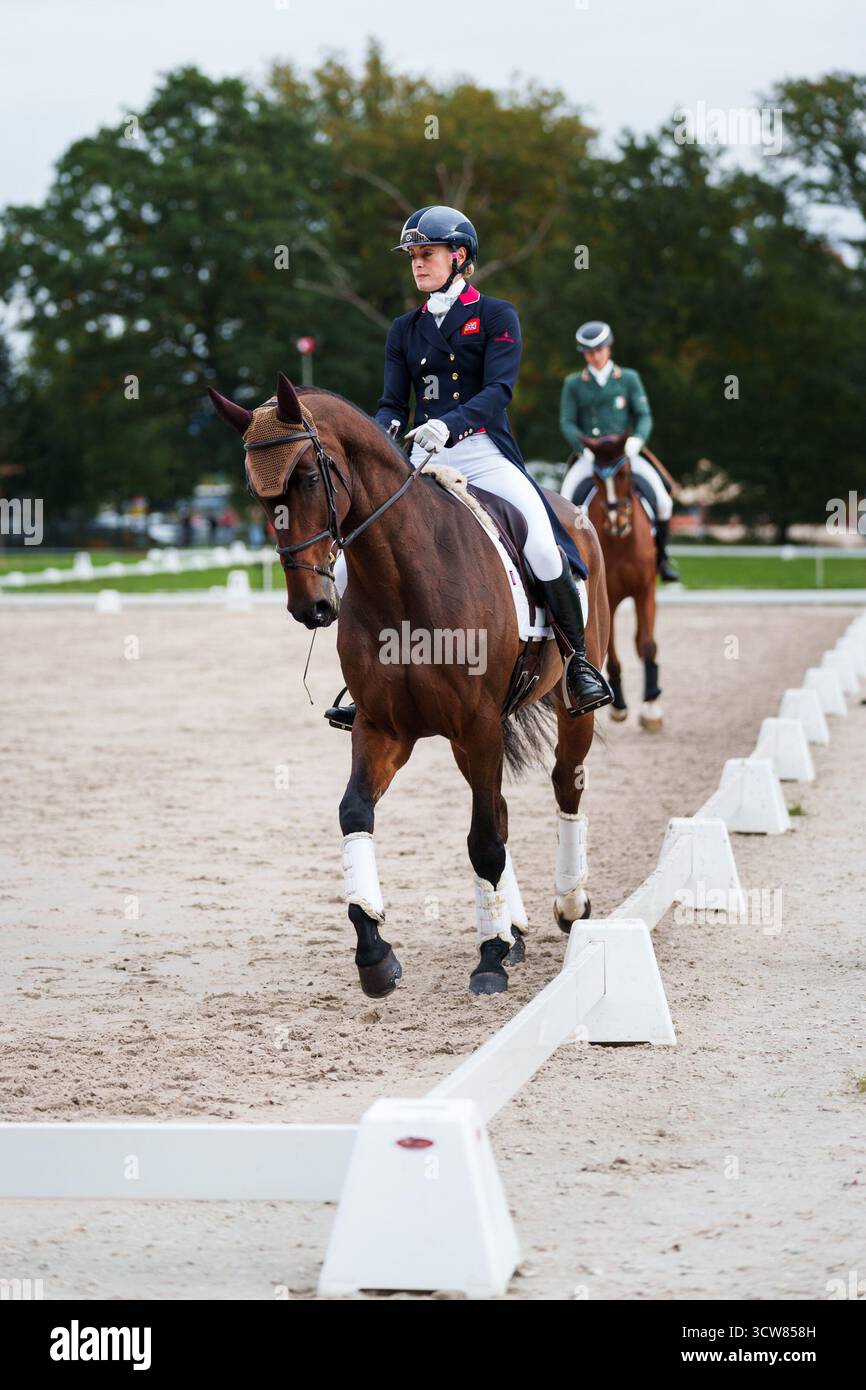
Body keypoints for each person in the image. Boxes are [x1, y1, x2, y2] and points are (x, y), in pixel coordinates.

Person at [325, 205, 612, 730]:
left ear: (459, 257)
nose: (417, 263)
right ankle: (362, 679)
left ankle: (577, 663)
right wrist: (382, 432)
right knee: (347, 565)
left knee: (544, 545)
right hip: (419, 458)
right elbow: (392, 401)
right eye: (413, 255)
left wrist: (450, 424)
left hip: (482, 452)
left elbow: (499, 389)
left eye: (426, 253)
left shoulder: (497, 315)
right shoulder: (404, 329)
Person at [559, 321, 680, 582]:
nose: (595, 356)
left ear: (609, 348)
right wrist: (583, 448)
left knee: (663, 500)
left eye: (599, 350)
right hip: (591, 456)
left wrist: (637, 439)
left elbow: (644, 415)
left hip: (625, 455)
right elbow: (567, 422)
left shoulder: (628, 378)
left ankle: (663, 557)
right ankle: (571, 560)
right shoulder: (574, 383)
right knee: (566, 501)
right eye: (589, 352)